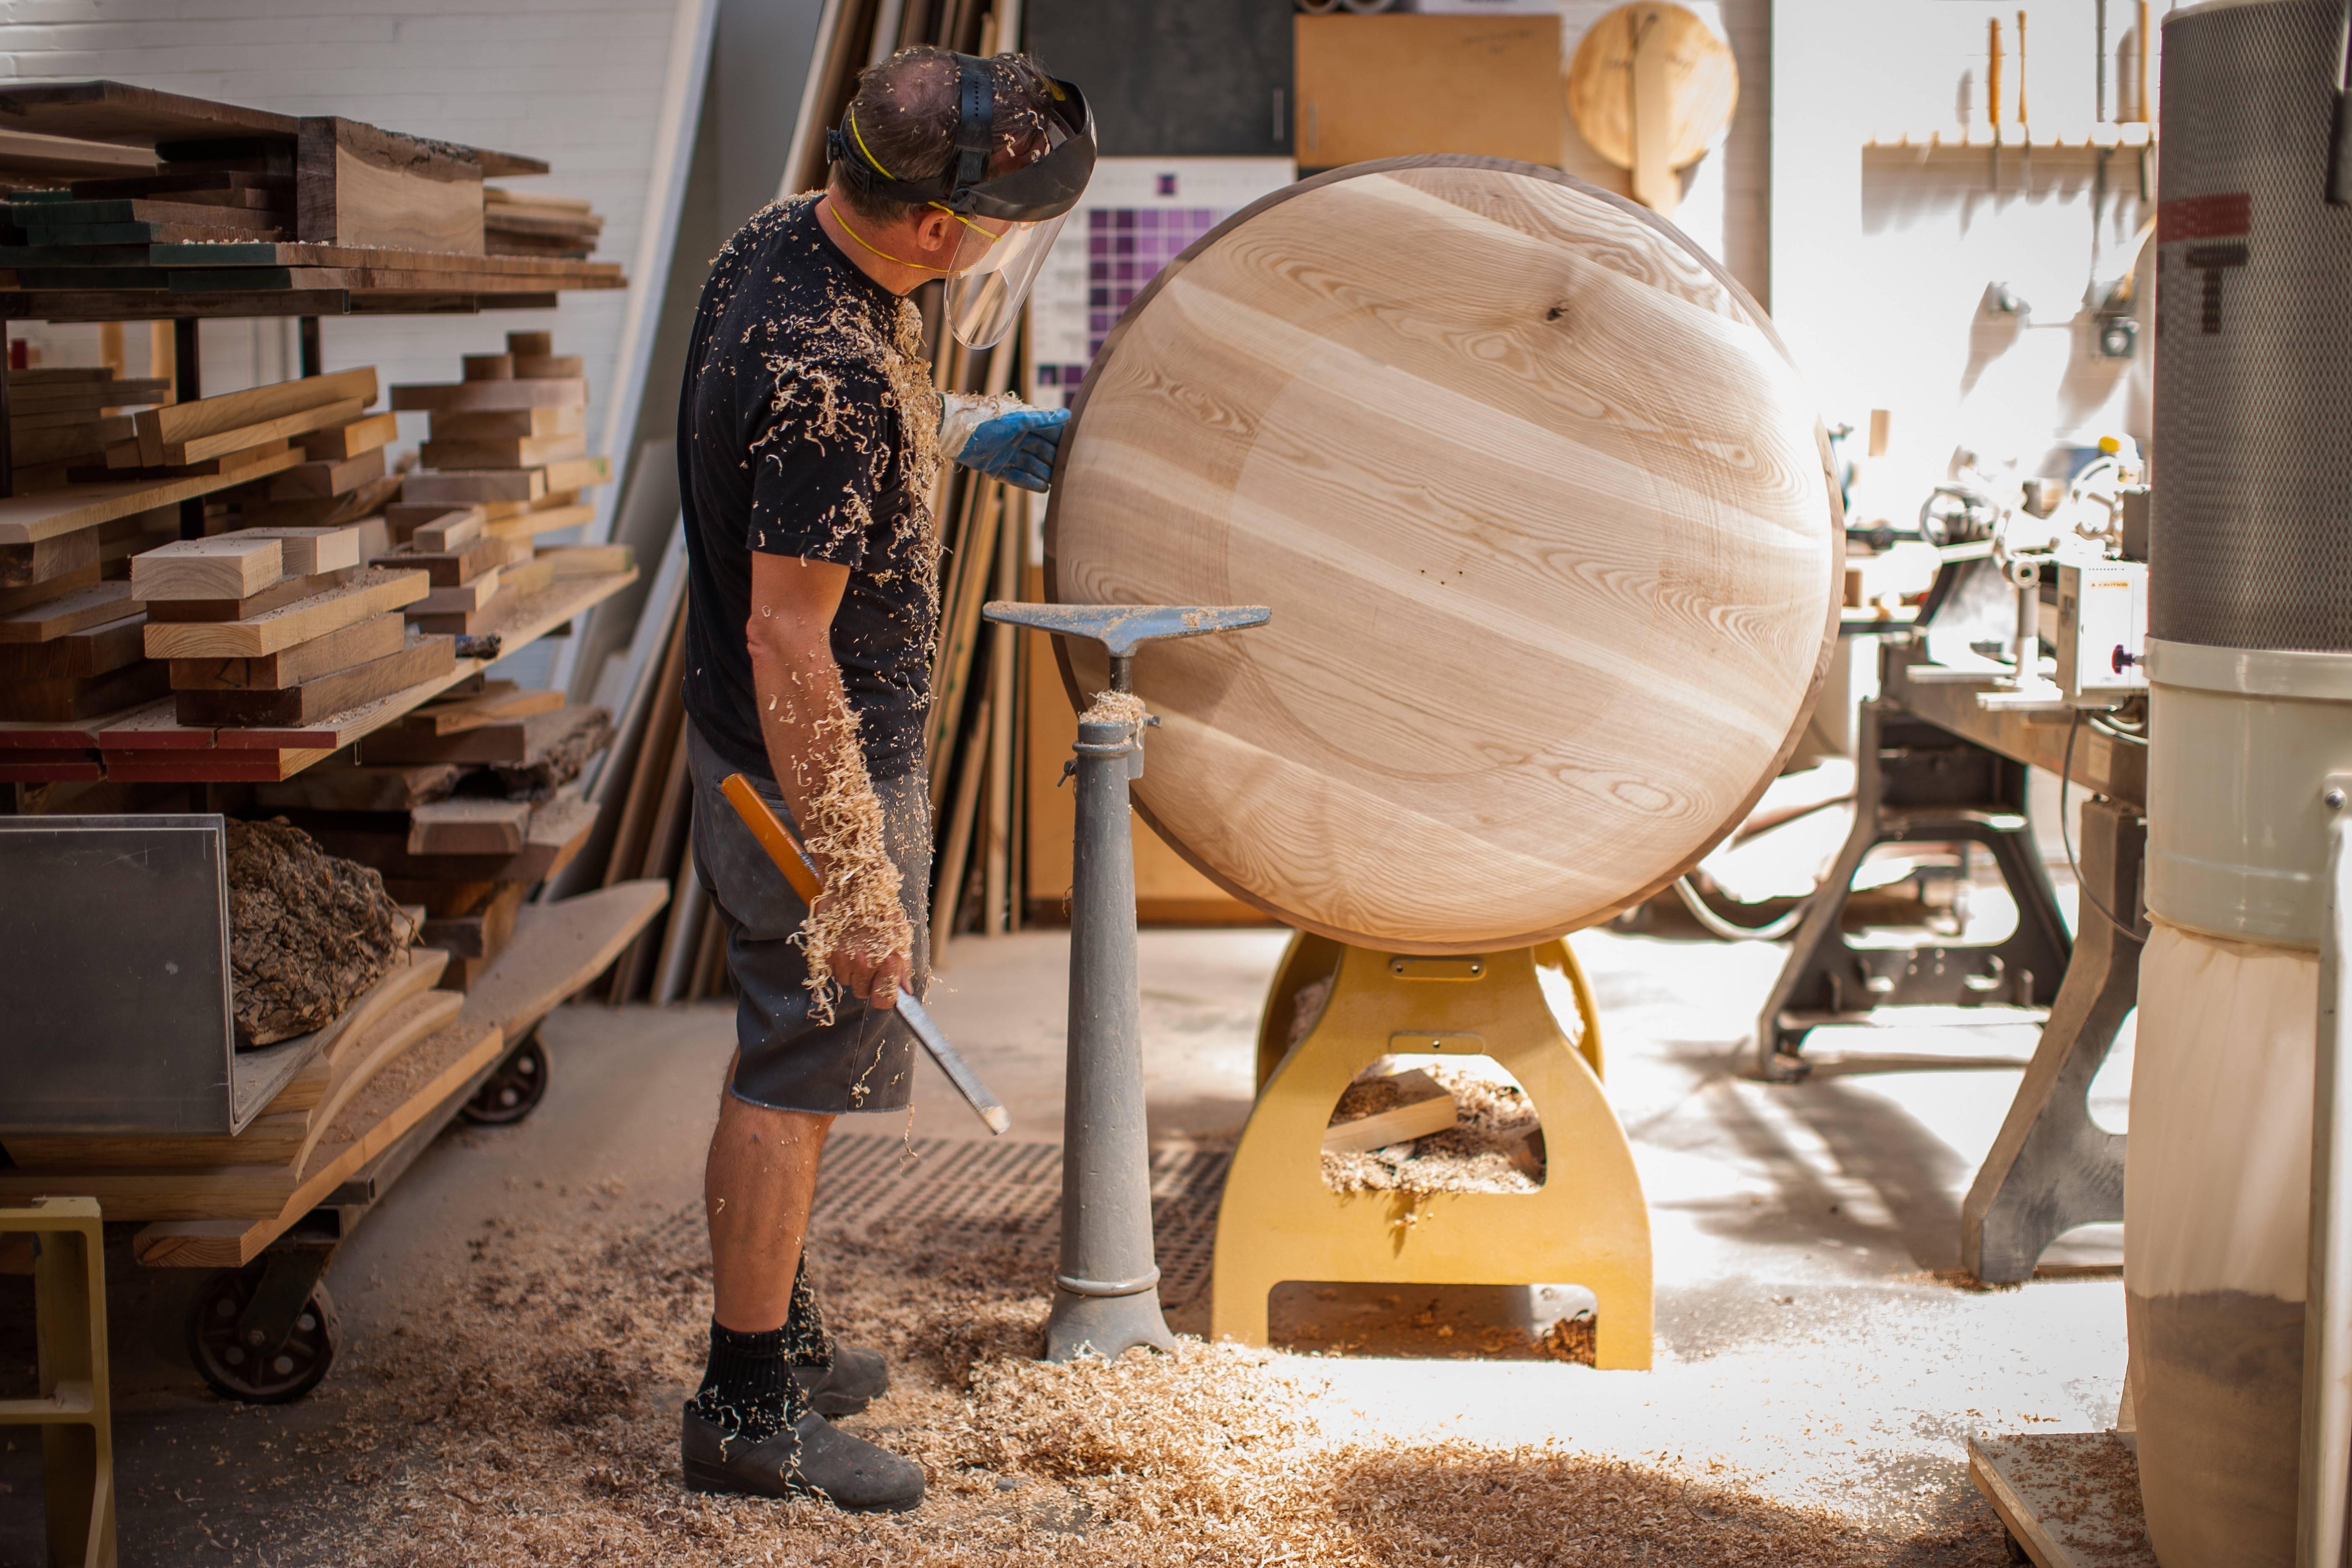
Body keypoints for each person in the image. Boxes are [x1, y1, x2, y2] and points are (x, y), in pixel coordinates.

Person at [670, 45, 1093, 1510]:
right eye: (995, 225)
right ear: (931, 223)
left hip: (752, 731)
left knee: (785, 1052)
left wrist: (967, 431)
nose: (995, 248)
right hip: (809, 758)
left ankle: (774, 1324)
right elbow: (794, 641)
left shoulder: (782, 247)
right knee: (799, 1063)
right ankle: (743, 1405)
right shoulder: (838, 377)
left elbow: (784, 444)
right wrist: (853, 873)